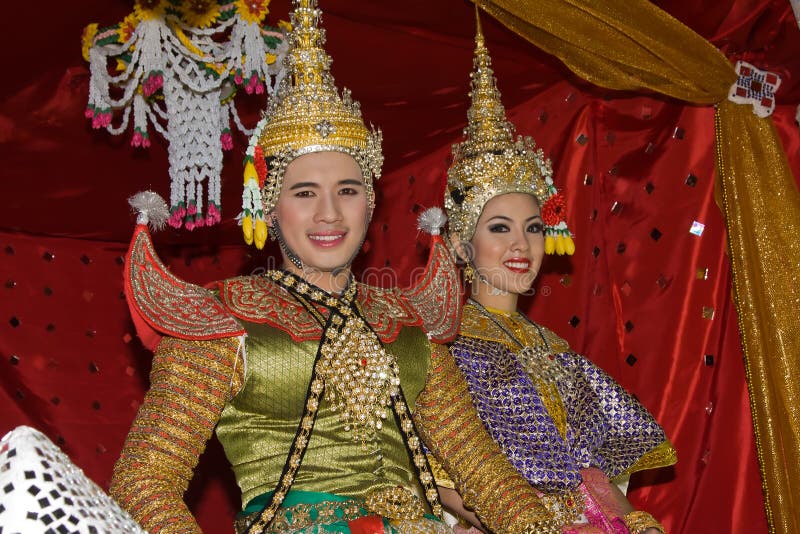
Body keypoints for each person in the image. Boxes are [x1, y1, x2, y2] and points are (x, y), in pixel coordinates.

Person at [111, 1, 572, 533]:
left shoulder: (409, 321)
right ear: (266, 205)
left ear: (371, 204)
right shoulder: (220, 320)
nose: (329, 214)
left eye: (348, 191)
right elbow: (144, 483)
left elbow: (482, 470)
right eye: (305, 193)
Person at [432, 11, 678, 534]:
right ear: (458, 242)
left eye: (533, 228)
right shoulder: (439, 345)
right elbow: (426, 469)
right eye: (499, 228)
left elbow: (595, 472)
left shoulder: (553, 347)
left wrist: (630, 520)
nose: (522, 246)